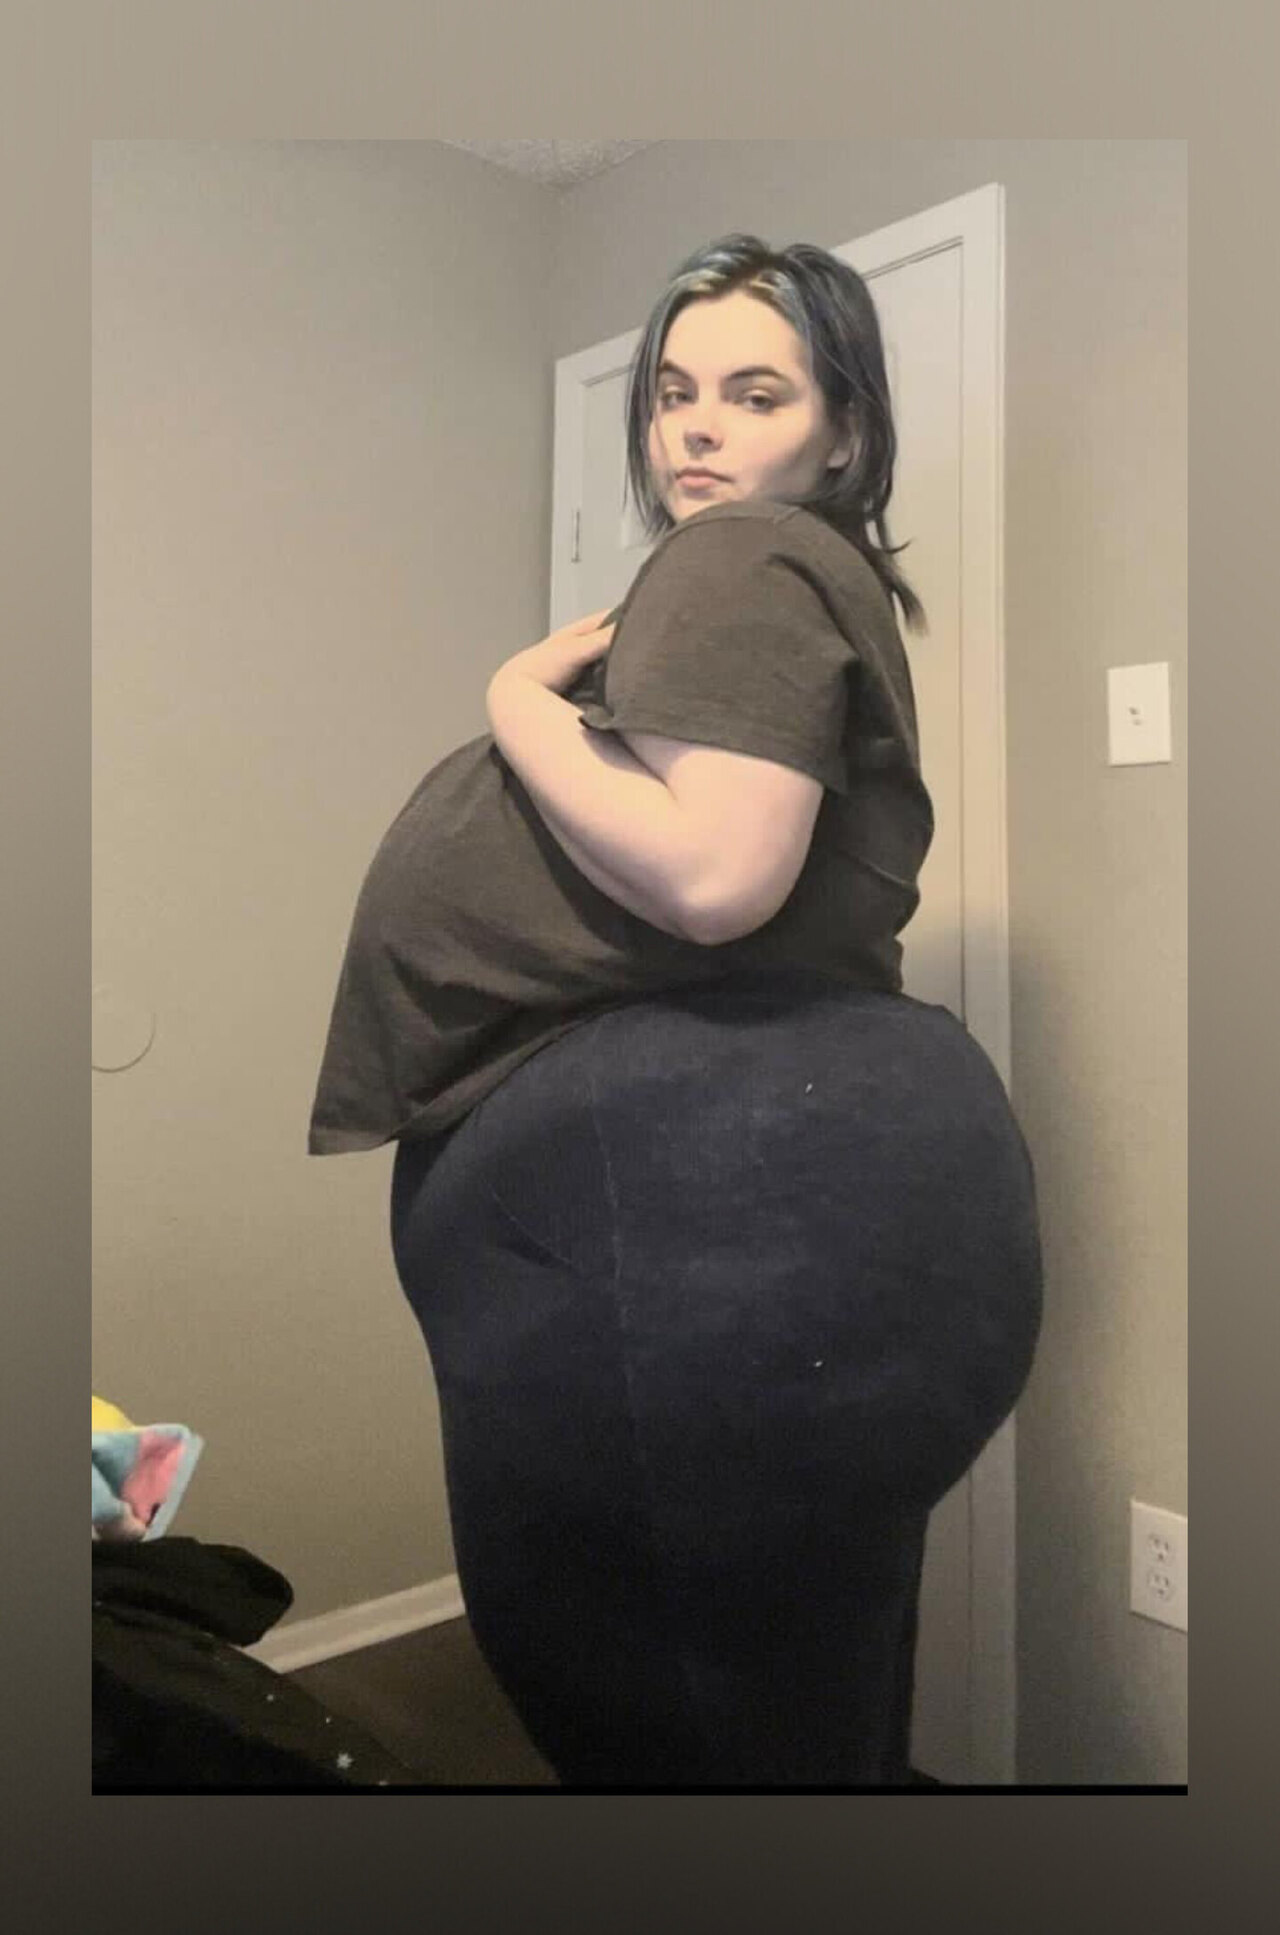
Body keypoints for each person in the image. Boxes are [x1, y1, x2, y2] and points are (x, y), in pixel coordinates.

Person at [308, 233, 1044, 1788]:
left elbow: (714, 876)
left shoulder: (744, 558)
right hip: (767, 1183)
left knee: (683, 1744)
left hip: (676, 1207)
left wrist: (517, 702)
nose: (696, 429)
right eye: (673, 393)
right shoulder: (801, 576)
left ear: (842, 433)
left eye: (757, 394)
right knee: (794, 1714)